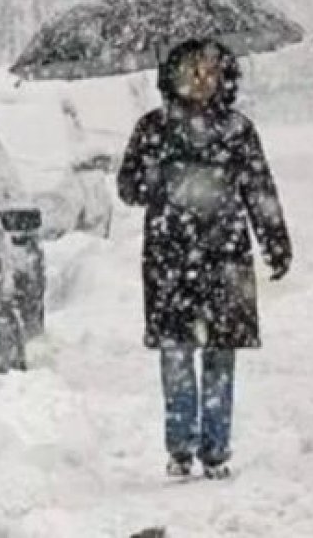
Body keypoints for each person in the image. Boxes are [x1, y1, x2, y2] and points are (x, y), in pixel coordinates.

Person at [117, 38, 292, 479]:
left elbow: (259, 189)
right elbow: (129, 189)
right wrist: (152, 171)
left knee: (220, 353)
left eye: (210, 70)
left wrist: (275, 241)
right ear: (172, 76)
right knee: (176, 352)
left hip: (224, 256)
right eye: (191, 70)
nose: (201, 80)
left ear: (224, 77)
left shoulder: (237, 130)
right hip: (170, 256)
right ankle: (180, 446)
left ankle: (215, 448)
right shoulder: (152, 129)